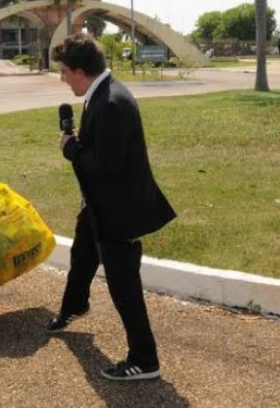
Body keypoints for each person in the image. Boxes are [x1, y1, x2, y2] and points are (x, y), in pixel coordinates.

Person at [49, 34, 176, 381]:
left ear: (79, 70)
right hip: (99, 206)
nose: (61, 78)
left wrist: (70, 148)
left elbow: (106, 165)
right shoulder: (100, 95)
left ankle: (144, 360)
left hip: (119, 213)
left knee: (124, 288)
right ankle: (75, 306)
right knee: (82, 257)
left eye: (63, 72)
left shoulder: (111, 103)